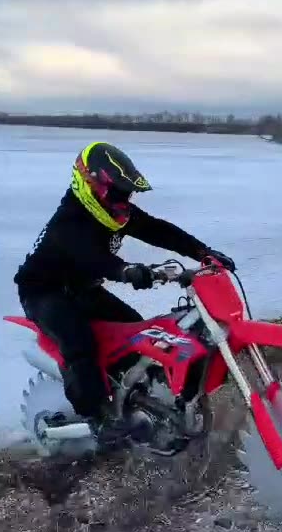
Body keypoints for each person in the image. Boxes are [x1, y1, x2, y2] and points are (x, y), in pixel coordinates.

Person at [15, 141, 235, 444]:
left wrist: (202, 252)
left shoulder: (116, 212)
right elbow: (93, 258)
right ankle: (97, 416)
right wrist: (126, 271)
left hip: (83, 289)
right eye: (117, 193)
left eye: (126, 194)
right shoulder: (69, 221)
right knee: (79, 341)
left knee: (136, 330)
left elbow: (157, 229)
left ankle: (137, 400)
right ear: (91, 185)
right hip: (43, 292)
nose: (123, 201)